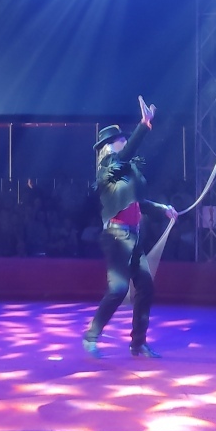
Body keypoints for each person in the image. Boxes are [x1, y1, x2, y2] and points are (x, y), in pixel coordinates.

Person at [82, 96, 178, 359]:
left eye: (125, 138)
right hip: (116, 236)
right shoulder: (107, 169)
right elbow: (125, 156)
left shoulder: (125, 171)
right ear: (108, 147)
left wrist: (163, 208)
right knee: (119, 289)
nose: (124, 142)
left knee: (146, 286)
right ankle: (91, 336)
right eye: (120, 140)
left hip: (133, 237)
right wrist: (144, 125)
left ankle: (138, 343)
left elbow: (138, 202)